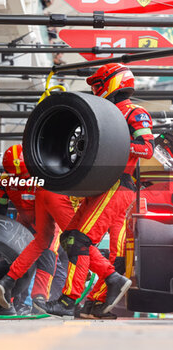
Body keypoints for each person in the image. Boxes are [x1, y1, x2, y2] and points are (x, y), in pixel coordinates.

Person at [32, 63, 155, 318]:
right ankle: (103, 292)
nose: (97, 90)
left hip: (119, 185)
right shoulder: (103, 113)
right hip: (99, 184)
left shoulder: (135, 111)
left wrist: (112, 141)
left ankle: (68, 301)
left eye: (98, 84)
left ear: (113, 82)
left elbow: (147, 148)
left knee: (79, 240)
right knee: (69, 238)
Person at [0, 144, 75, 315]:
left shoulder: (43, 177)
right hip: (24, 223)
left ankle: (38, 302)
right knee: (14, 258)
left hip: (49, 223)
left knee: (48, 257)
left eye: (23, 175)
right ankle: (9, 304)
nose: (20, 180)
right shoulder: (4, 181)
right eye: (15, 176)